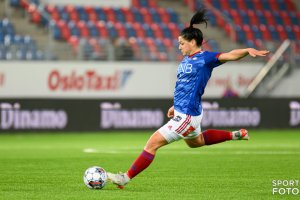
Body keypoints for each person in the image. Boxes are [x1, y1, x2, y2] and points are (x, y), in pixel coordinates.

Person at [107, 9, 269, 188]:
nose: (179, 46)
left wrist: (246, 50)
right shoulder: (186, 60)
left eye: (182, 43)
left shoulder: (205, 58)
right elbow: (184, 86)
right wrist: (175, 106)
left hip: (188, 115)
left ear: (193, 42)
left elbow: (230, 55)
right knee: (196, 142)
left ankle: (125, 178)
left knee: (152, 143)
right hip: (184, 111)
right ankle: (237, 135)